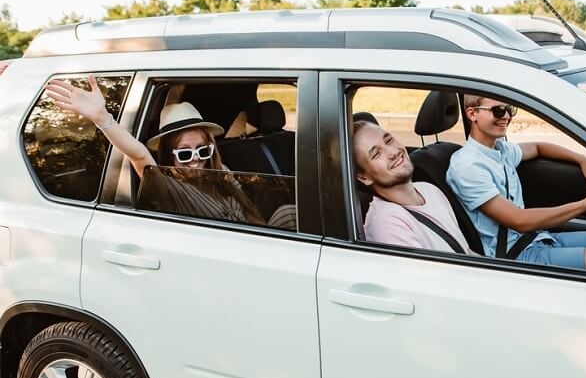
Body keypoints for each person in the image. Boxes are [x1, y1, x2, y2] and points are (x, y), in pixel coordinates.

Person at [43, 76, 295, 227]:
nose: (196, 159)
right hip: (221, 261)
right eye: (184, 153)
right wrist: (102, 118)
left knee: (289, 211)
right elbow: (139, 155)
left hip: (253, 249)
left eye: (202, 150)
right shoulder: (170, 187)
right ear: (170, 156)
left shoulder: (220, 173)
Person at [446, 94, 586, 271]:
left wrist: (581, 159)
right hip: (516, 255)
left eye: (509, 109)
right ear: (472, 113)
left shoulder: (500, 149)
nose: (506, 116)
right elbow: (519, 220)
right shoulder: (468, 166)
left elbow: (538, 148)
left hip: (536, 237)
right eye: (498, 111)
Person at [353, 120, 472, 254]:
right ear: (364, 177)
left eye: (389, 140)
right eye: (376, 154)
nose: (392, 153)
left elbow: (466, 252)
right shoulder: (386, 223)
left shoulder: (430, 190)